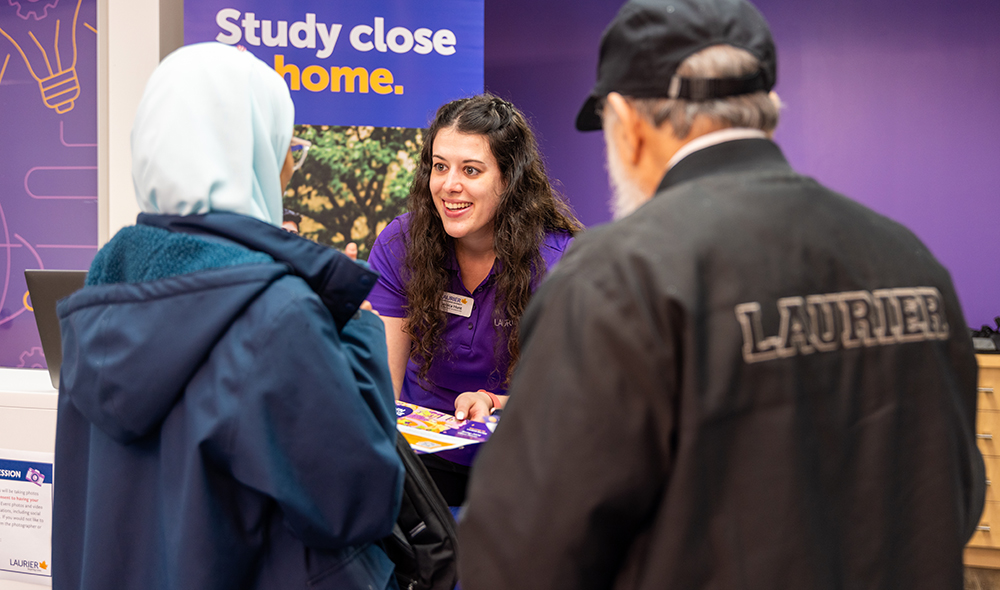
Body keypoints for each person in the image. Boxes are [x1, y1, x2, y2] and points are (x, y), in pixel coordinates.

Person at [458, 1, 985, 588]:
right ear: (764, 112)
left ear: (626, 122)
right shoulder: (908, 258)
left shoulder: (619, 275)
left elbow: (522, 554)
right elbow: (955, 497)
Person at [53, 43, 403, 590]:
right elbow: (358, 503)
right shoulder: (275, 313)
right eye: (286, 146)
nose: (290, 166)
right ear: (251, 153)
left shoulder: (104, 287)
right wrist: (353, 322)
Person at [366, 93, 583, 504]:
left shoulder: (560, 263)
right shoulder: (401, 244)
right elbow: (383, 388)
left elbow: (564, 395)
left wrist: (494, 402)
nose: (450, 185)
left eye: (471, 169)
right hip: (420, 464)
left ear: (509, 178)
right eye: (439, 166)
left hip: (520, 461)